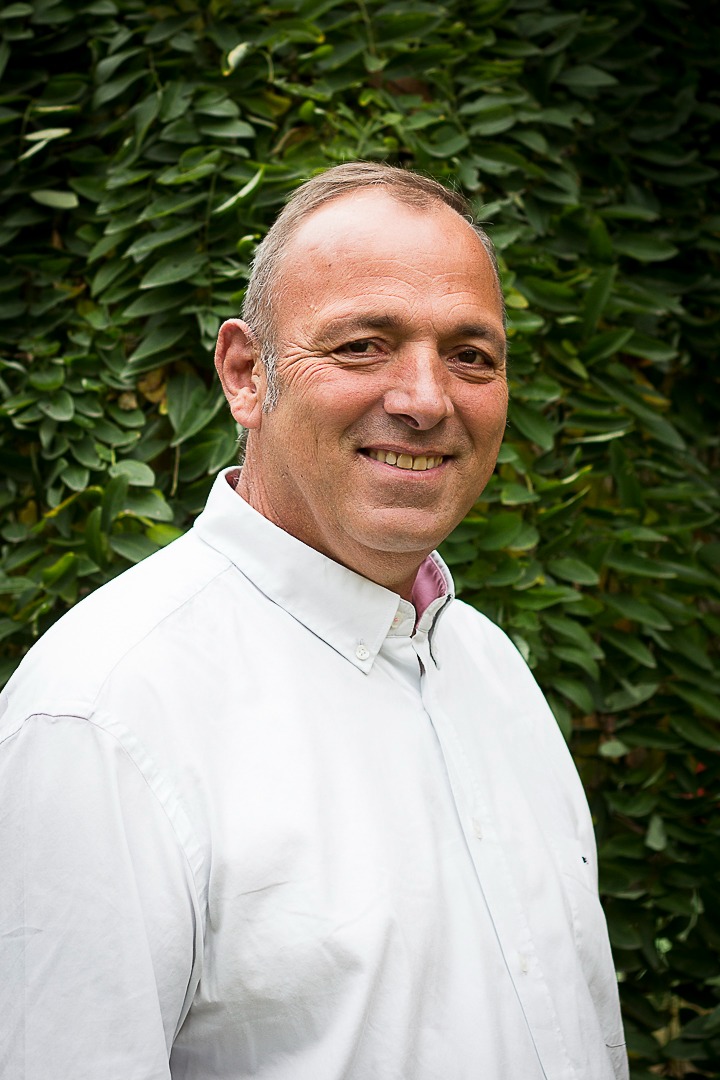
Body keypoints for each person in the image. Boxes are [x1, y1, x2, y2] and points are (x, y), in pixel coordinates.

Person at [0, 162, 628, 1080]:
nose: (425, 399)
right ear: (246, 375)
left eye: (470, 355)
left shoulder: (491, 669)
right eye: (364, 345)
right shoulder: (103, 718)